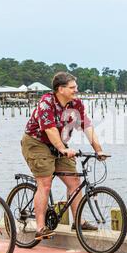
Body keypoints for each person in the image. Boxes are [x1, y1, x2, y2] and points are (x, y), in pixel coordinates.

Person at [21, 72, 106, 240]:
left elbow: (87, 126)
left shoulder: (76, 104)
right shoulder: (46, 102)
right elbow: (49, 129)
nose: (76, 90)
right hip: (37, 143)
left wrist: (99, 150)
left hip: (59, 144)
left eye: (76, 87)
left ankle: (78, 222)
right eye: (72, 87)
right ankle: (40, 227)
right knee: (45, 183)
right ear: (60, 89)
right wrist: (62, 148)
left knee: (74, 181)